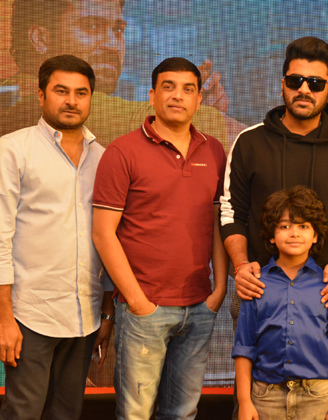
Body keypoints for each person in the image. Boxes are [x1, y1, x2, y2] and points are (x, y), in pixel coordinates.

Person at [91, 57, 228, 420]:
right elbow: (103, 233)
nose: (177, 96)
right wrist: (137, 301)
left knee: (182, 413)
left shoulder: (214, 151)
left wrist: (218, 291)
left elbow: (219, 224)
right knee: (135, 415)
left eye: (188, 89)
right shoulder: (122, 152)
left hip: (199, 306)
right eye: (168, 87)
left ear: (199, 99)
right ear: (152, 96)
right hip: (144, 309)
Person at [0, 54, 113, 420]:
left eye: (81, 93)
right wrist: (4, 318)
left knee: (66, 413)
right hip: (30, 314)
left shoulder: (103, 158)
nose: (71, 101)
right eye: (61, 91)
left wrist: (105, 309)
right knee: (23, 413)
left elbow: (106, 239)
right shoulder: (13, 149)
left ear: (90, 98)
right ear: (41, 95)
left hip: (85, 316)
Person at [220, 35, 328, 312]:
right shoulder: (249, 143)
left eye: (316, 83)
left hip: (327, 295)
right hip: (258, 292)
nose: (304, 89)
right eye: (295, 81)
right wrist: (240, 266)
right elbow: (231, 213)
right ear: (282, 85)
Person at [0, 0, 243, 149]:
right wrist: (193, 117)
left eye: (118, 30)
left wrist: (192, 114)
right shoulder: (34, 102)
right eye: (92, 26)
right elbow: (245, 143)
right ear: (40, 39)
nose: (112, 44)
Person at [233, 186, 328, 420]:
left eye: (303, 226)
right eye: (285, 226)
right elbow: (244, 346)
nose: (294, 233)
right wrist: (244, 402)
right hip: (266, 396)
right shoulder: (255, 284)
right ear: (271, 235)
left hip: (316, 397)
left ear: (315, 235)